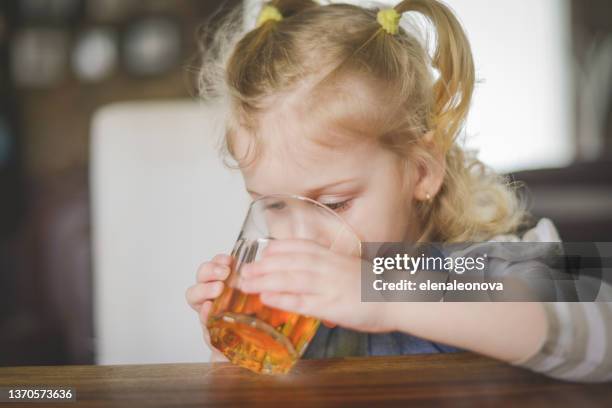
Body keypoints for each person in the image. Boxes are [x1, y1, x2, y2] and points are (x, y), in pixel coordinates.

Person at [185, 0, 612, 382]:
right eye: (272, 205)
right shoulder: (306, 301)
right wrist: (234, 342)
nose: (300, 235)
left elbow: (598, 331)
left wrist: (385, 294)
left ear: (422, 171)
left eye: (335, 204)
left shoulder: (473, 264)